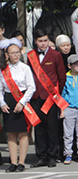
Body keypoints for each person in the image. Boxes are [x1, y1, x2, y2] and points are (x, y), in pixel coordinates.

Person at [26, 32, 67, 168]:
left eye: (45, 40)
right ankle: (41, 156)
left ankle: (52, 156)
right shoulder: (31, 55)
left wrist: (56, 94)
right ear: (35, 41)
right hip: (36, 96)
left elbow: (62, 77)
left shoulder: (55, 55)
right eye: (40, 41)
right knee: (38, 127)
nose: (43, 44)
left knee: (52, 127)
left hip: (51, 97)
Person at [1, 40, 36, 171]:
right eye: (12, 53)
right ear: (7, 55)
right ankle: (13, 162)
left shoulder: (25, 68)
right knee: (11, 133)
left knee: (22, 133)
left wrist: (22, 102)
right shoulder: (3, 69)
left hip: (22, 100)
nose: (15, 55)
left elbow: (31, 87)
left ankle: (21, 162)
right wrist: (2, 103)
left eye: (17, 52)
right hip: (8, 100)